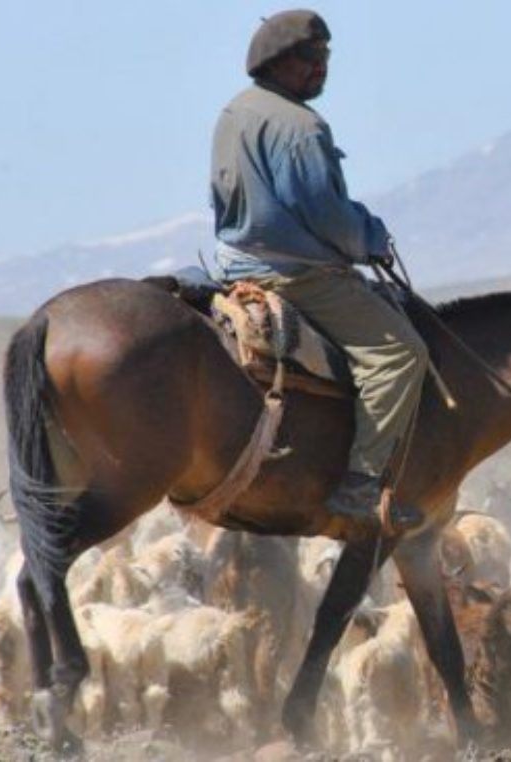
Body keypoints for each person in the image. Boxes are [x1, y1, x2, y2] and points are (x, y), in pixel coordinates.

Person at [210, 9, 425, 530]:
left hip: (236, 263)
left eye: (326, 58)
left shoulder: (235, 112)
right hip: (296, 274)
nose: (320, 69)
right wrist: (370, 238)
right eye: (310, 58)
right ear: (278, 62)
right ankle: (360, 484)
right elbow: (324, 213)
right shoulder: (302, 126)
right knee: (401, 353)